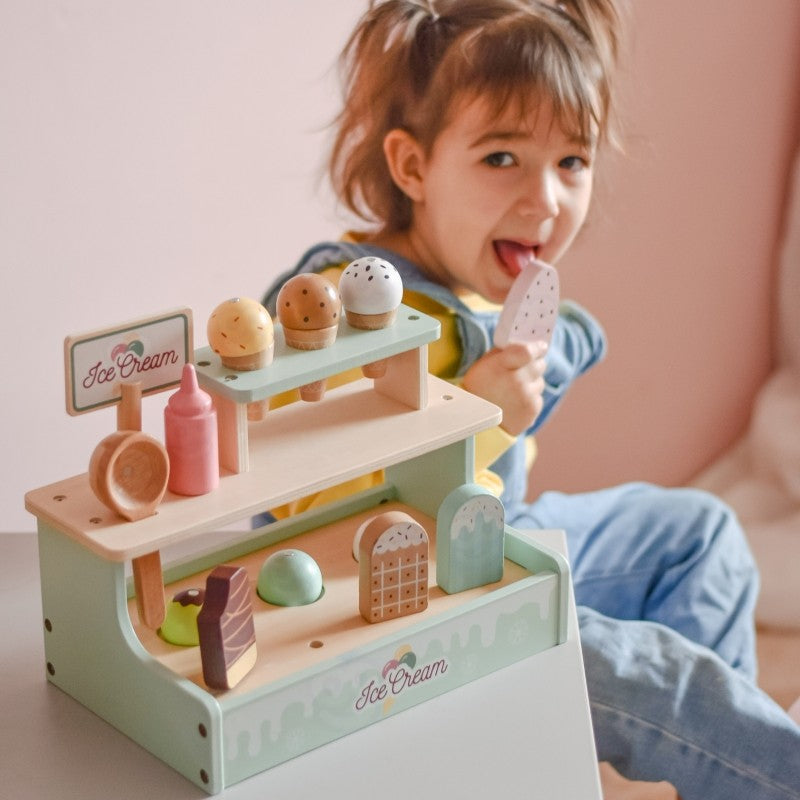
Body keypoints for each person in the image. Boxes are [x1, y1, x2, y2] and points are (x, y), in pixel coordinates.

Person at [261, 2, 800, 797]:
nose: (545, 199)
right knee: (643, 677)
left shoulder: (479, 285)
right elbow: (324, 515)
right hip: (388, 602)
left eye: (572, 162)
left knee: (703, 534)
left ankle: (729, 763)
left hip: (492, 541)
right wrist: (476, 422)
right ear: (412, 168)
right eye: (501, 158)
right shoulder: (352, 305)